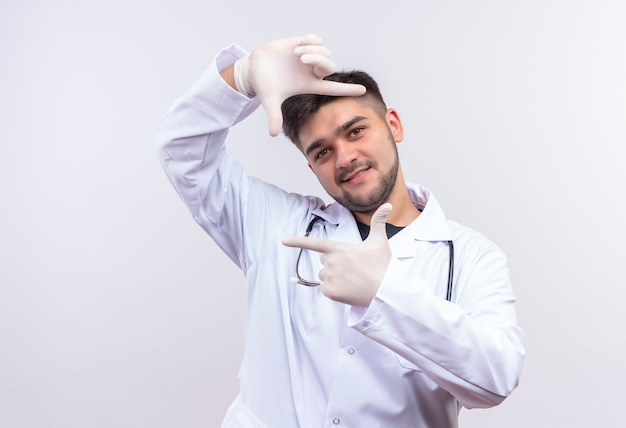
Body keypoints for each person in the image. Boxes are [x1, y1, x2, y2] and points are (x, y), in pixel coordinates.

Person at [155, 34, 525, 428]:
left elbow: (495, 379)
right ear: (312, 168)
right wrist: (240, 78)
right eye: (322, 151)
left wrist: (385, 293)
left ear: (393, 125)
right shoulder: (275, 223)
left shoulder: (470, 255)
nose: (345, 158)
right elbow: (182, 152)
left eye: (355, 131)